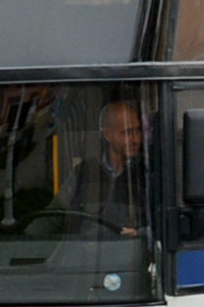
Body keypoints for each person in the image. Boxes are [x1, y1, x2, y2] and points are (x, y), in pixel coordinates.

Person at [55, 98, 149, 236]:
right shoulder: (84, 172)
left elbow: (164, 224)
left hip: (130, 247)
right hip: (86, 247)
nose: (136, 139)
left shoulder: (147, 173)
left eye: (138, 131)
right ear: (108, 134)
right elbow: (55, 213)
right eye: (128, 132)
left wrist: (141, 233)